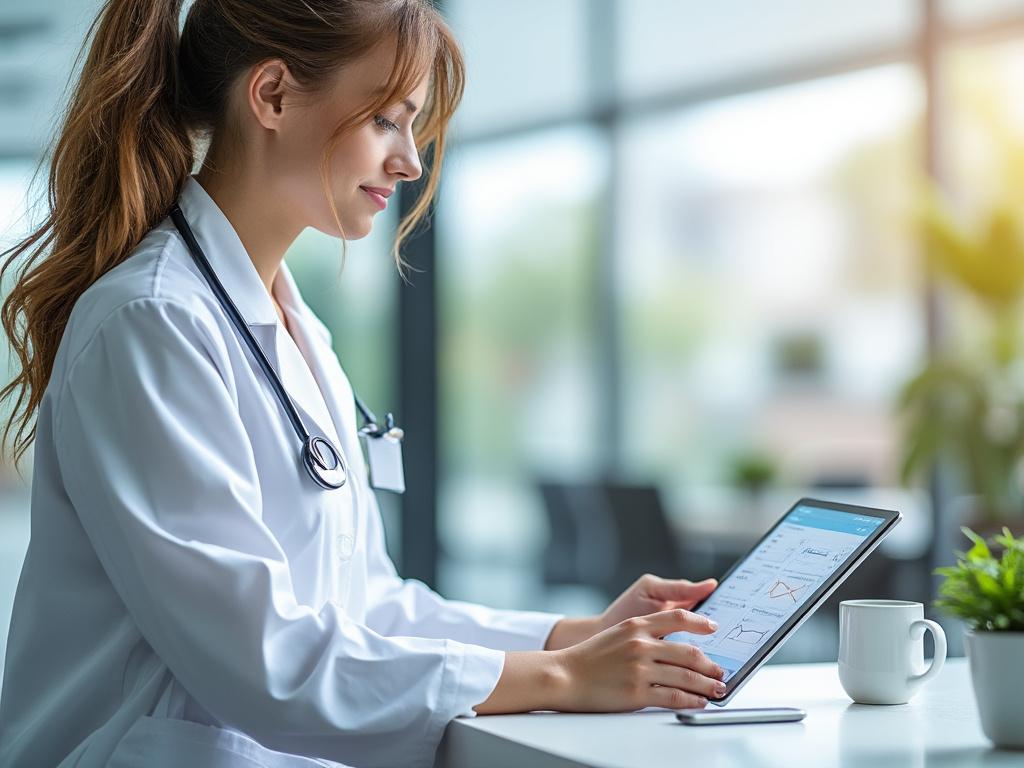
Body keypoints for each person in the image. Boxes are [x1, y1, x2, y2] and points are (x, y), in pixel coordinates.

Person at [0, 1, 727, 766]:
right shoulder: (151, 323)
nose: (410, 160)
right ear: (273, 95)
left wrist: (572, 639)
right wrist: (561, 676)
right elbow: (263, 660)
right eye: (387, 119)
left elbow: (367, 607)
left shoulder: (294, 328)